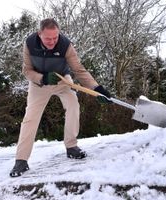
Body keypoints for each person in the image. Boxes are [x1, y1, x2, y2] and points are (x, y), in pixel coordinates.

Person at [10, 18, 111, 177]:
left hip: (62, 80)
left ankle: (71, 147)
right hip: (39, 84)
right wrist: (42, 78)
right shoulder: (29, 44)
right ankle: (21, 161)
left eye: (55, 37)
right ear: (39, 34)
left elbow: (79, 70)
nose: (52, 41)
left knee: (73, 104)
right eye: (48, 38)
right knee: (30, 118)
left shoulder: (65, 45)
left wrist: (97, 88)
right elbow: (27, 71)